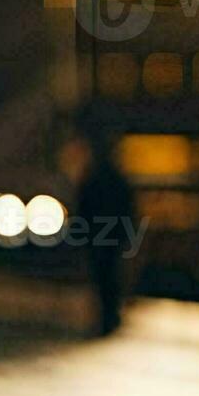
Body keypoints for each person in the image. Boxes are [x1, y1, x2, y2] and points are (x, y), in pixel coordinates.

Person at [76, 135, 136, 336]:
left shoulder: (94, 177)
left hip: (100, 235)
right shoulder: (115, 179)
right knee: (109, 277)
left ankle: (107, 316)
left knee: (103, 278)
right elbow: (127, 208)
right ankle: (109, 315)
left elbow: (83, 207)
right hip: (109, 235)